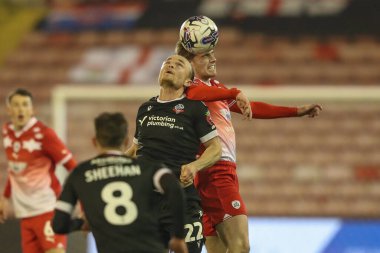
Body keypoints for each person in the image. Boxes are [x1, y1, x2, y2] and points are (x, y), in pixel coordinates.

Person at [176, 37, 322, 253]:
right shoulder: (192, 88)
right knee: (241, 246)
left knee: (221, 249)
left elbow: (252, 107)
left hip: (209, 176)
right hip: (216, 172)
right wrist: (233, 92)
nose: (213, 58)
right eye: (206, 55)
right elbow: (195, 94)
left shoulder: (215, 88)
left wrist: (295, 111)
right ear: (190, 63)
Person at [51, 112, 188, 253]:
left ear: (94, 141)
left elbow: (58, 225)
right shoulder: (149, 168)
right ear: (126, 141)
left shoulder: (80, 173)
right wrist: (178, 237)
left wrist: (82, 223)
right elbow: (174, 189)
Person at [126, 54, 222, 253]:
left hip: (182, 200)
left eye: (178, 64)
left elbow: (215, 148)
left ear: (188, 81)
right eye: (167, 63)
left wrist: (194, 167)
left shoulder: (195, 109)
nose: (170, 65)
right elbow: (135, 149)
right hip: (146, 201)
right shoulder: (146, 108)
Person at [0, 88, 77, 253]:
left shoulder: (44, 134)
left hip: (47, 210)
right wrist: (5, 197)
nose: (21, 109)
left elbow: (73, 167)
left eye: (25, 105)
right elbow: (15, 170)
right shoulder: (7, 131)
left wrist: (82, 199)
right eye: (16, 105)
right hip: (25, 214)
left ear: (32, 109)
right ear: (9, 109)